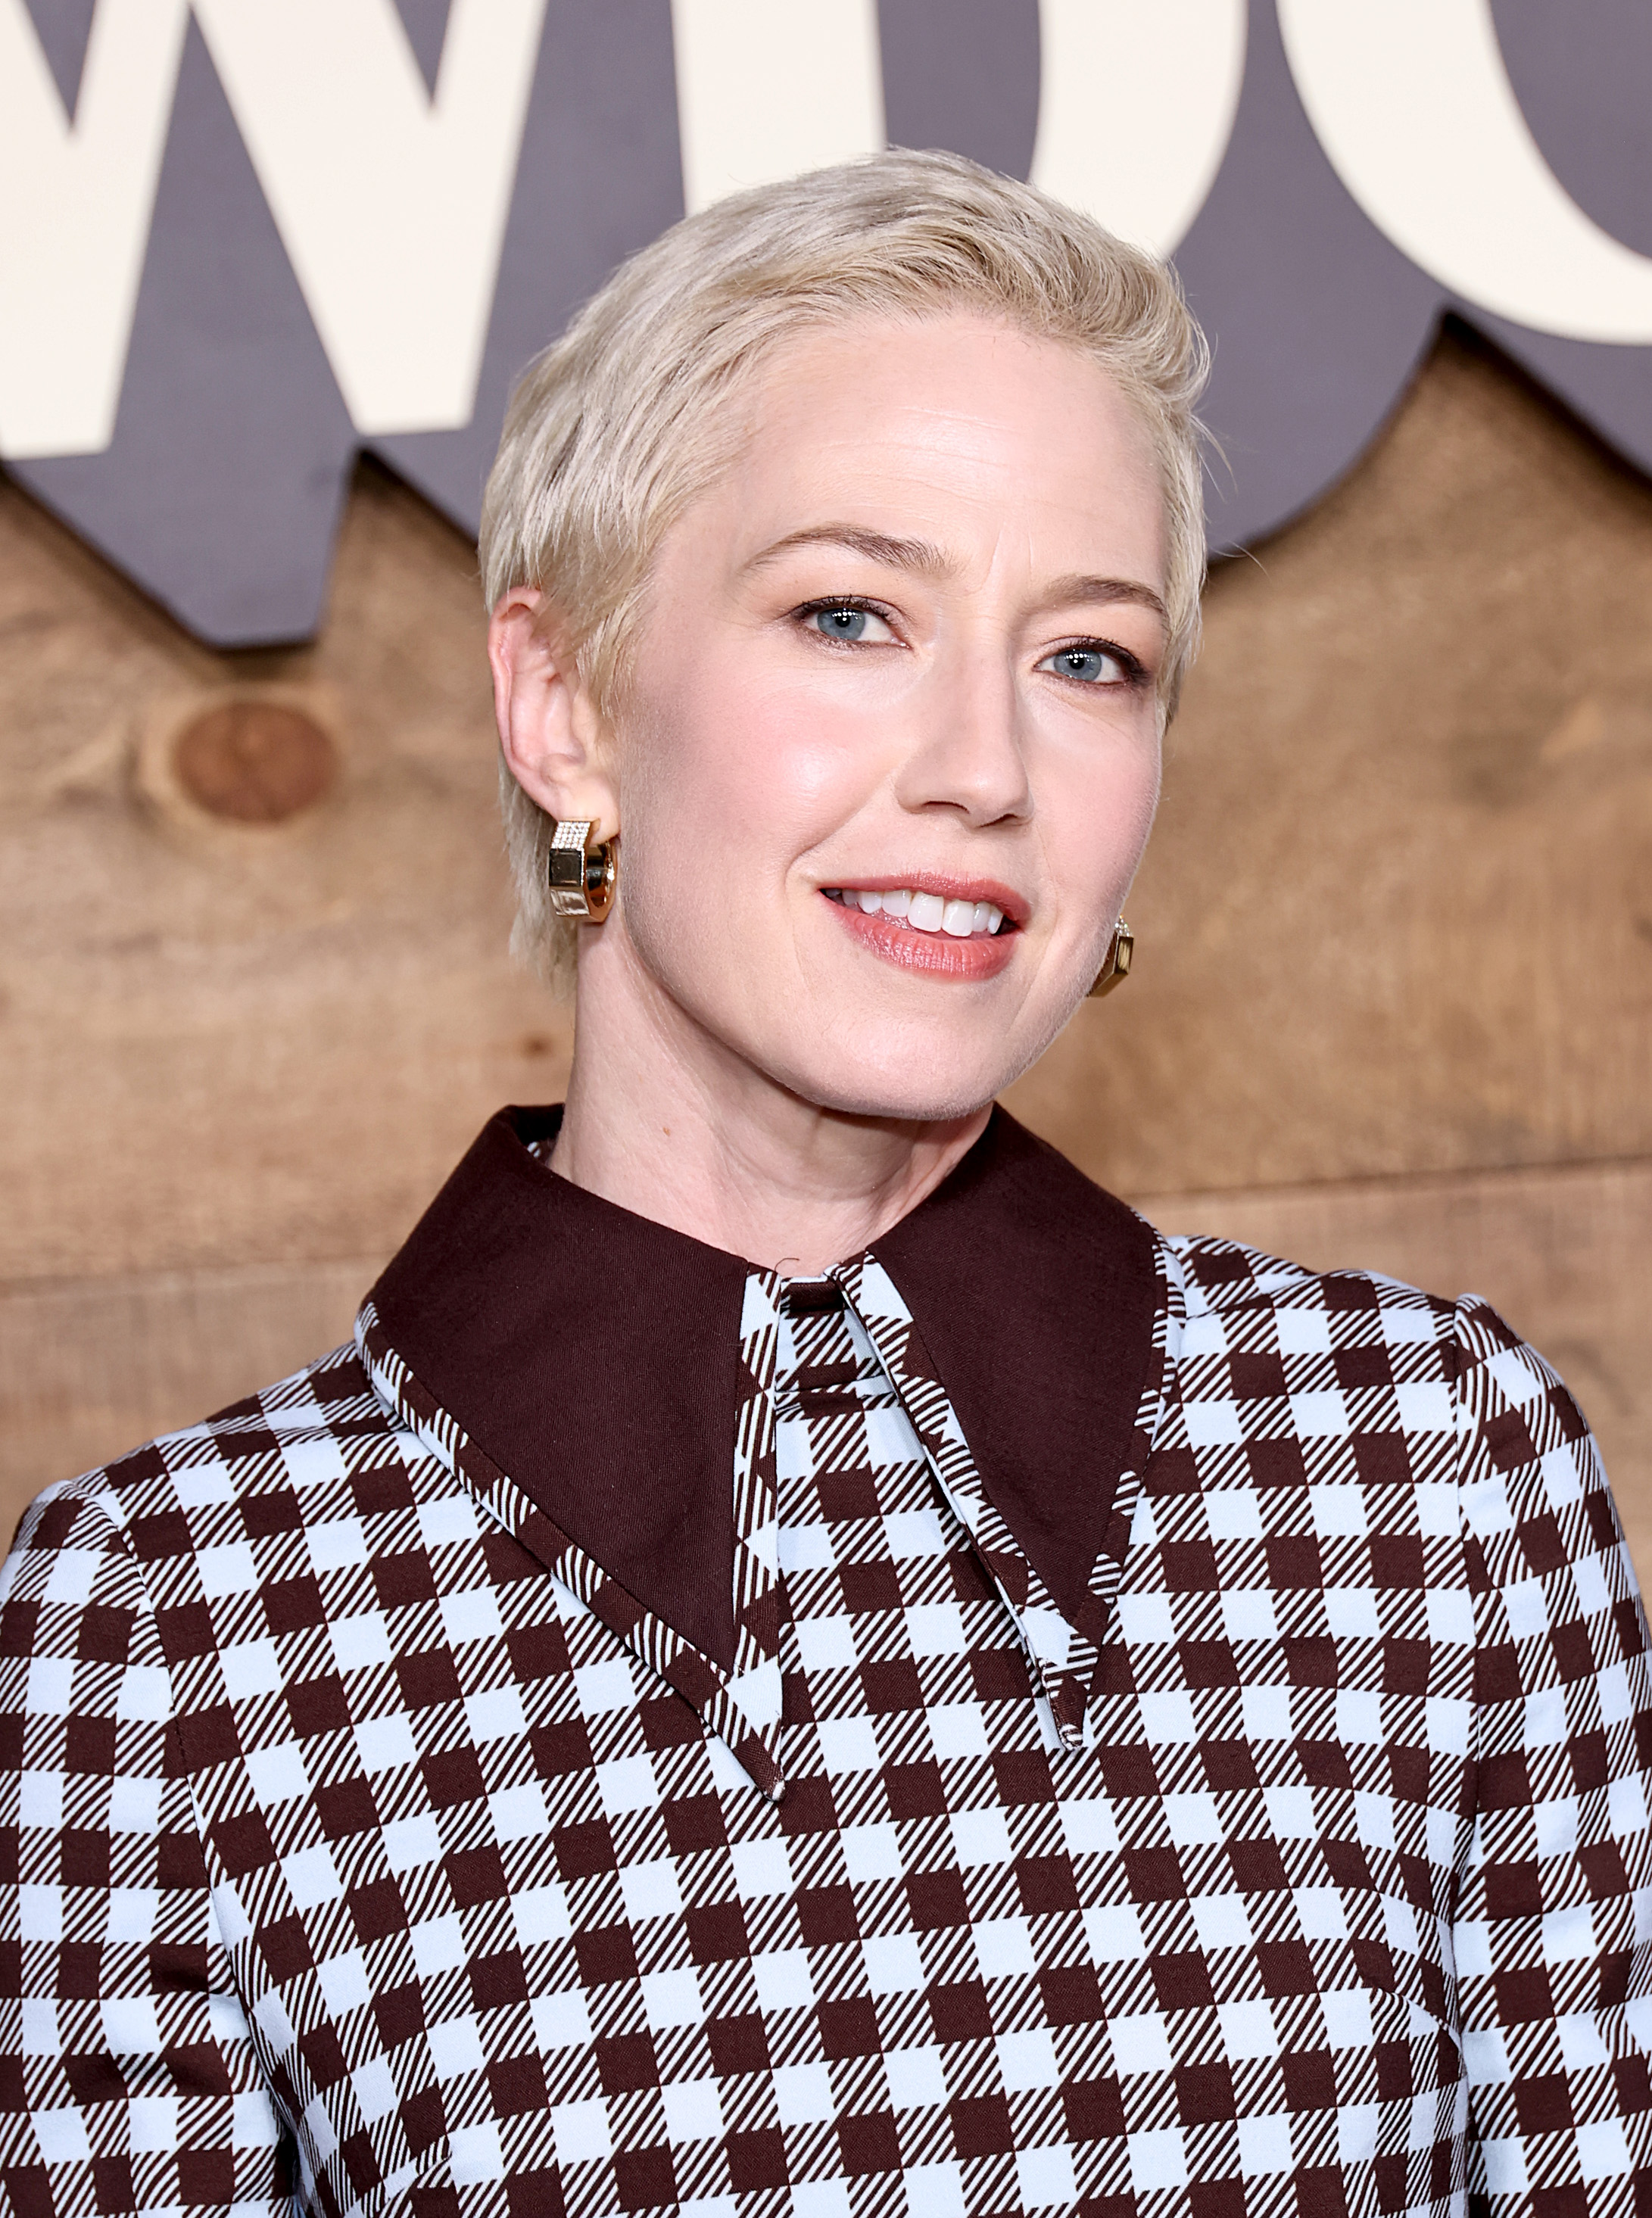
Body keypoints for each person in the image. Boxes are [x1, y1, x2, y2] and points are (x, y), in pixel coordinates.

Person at [2, 148, 1647, 2218]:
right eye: (850, 614)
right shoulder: (172, 1635)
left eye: (1090, 656)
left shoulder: (1434, 1470)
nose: (986, 764)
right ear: (566, 701)